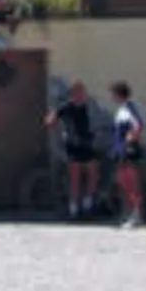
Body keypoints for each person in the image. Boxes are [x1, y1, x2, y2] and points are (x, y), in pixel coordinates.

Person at [45, 81, 100, 218]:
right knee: (75, 177)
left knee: (93, 173)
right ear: (73, 94)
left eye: (82, 92)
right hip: (73, 145)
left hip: (88, 144)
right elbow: (49, 121)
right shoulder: (66, 107)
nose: (81, 95)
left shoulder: (89, 106)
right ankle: (74, 207)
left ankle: (87, 204)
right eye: (78, 92)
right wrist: (61, 132)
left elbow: (96, 121)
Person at [110, 81, 146, 228]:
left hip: (128, 150)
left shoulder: (130, 107)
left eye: (113, 94)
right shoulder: (121, 109)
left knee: (132, 182)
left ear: (119, 94)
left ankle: (137, 215)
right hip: (120, 151)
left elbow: (139, 125)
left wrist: (130, 139)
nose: (112, 97)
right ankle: (130, 213)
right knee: (123, 182)